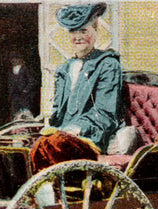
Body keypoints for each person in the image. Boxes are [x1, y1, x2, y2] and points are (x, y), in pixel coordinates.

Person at [31, 2, 122, 172]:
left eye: (84, 31)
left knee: (49, 146)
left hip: (91, 138)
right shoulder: (64, 69)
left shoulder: (107, 64)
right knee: (21, 147)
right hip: (62, 136)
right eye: (74, 32)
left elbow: (105, 113)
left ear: (95, 32)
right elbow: (58, 111)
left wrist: (75, 129)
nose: (78, 37)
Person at [8, 52, 35, 120]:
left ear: (20, 59)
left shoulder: (25, 69)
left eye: (16, 59)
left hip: (24, 94)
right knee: (15, 111)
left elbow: (31, 81)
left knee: (25, 111)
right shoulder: (11, 70)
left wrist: (26, 90)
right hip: (14, 94)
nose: (14, 60)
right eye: (12, 59)